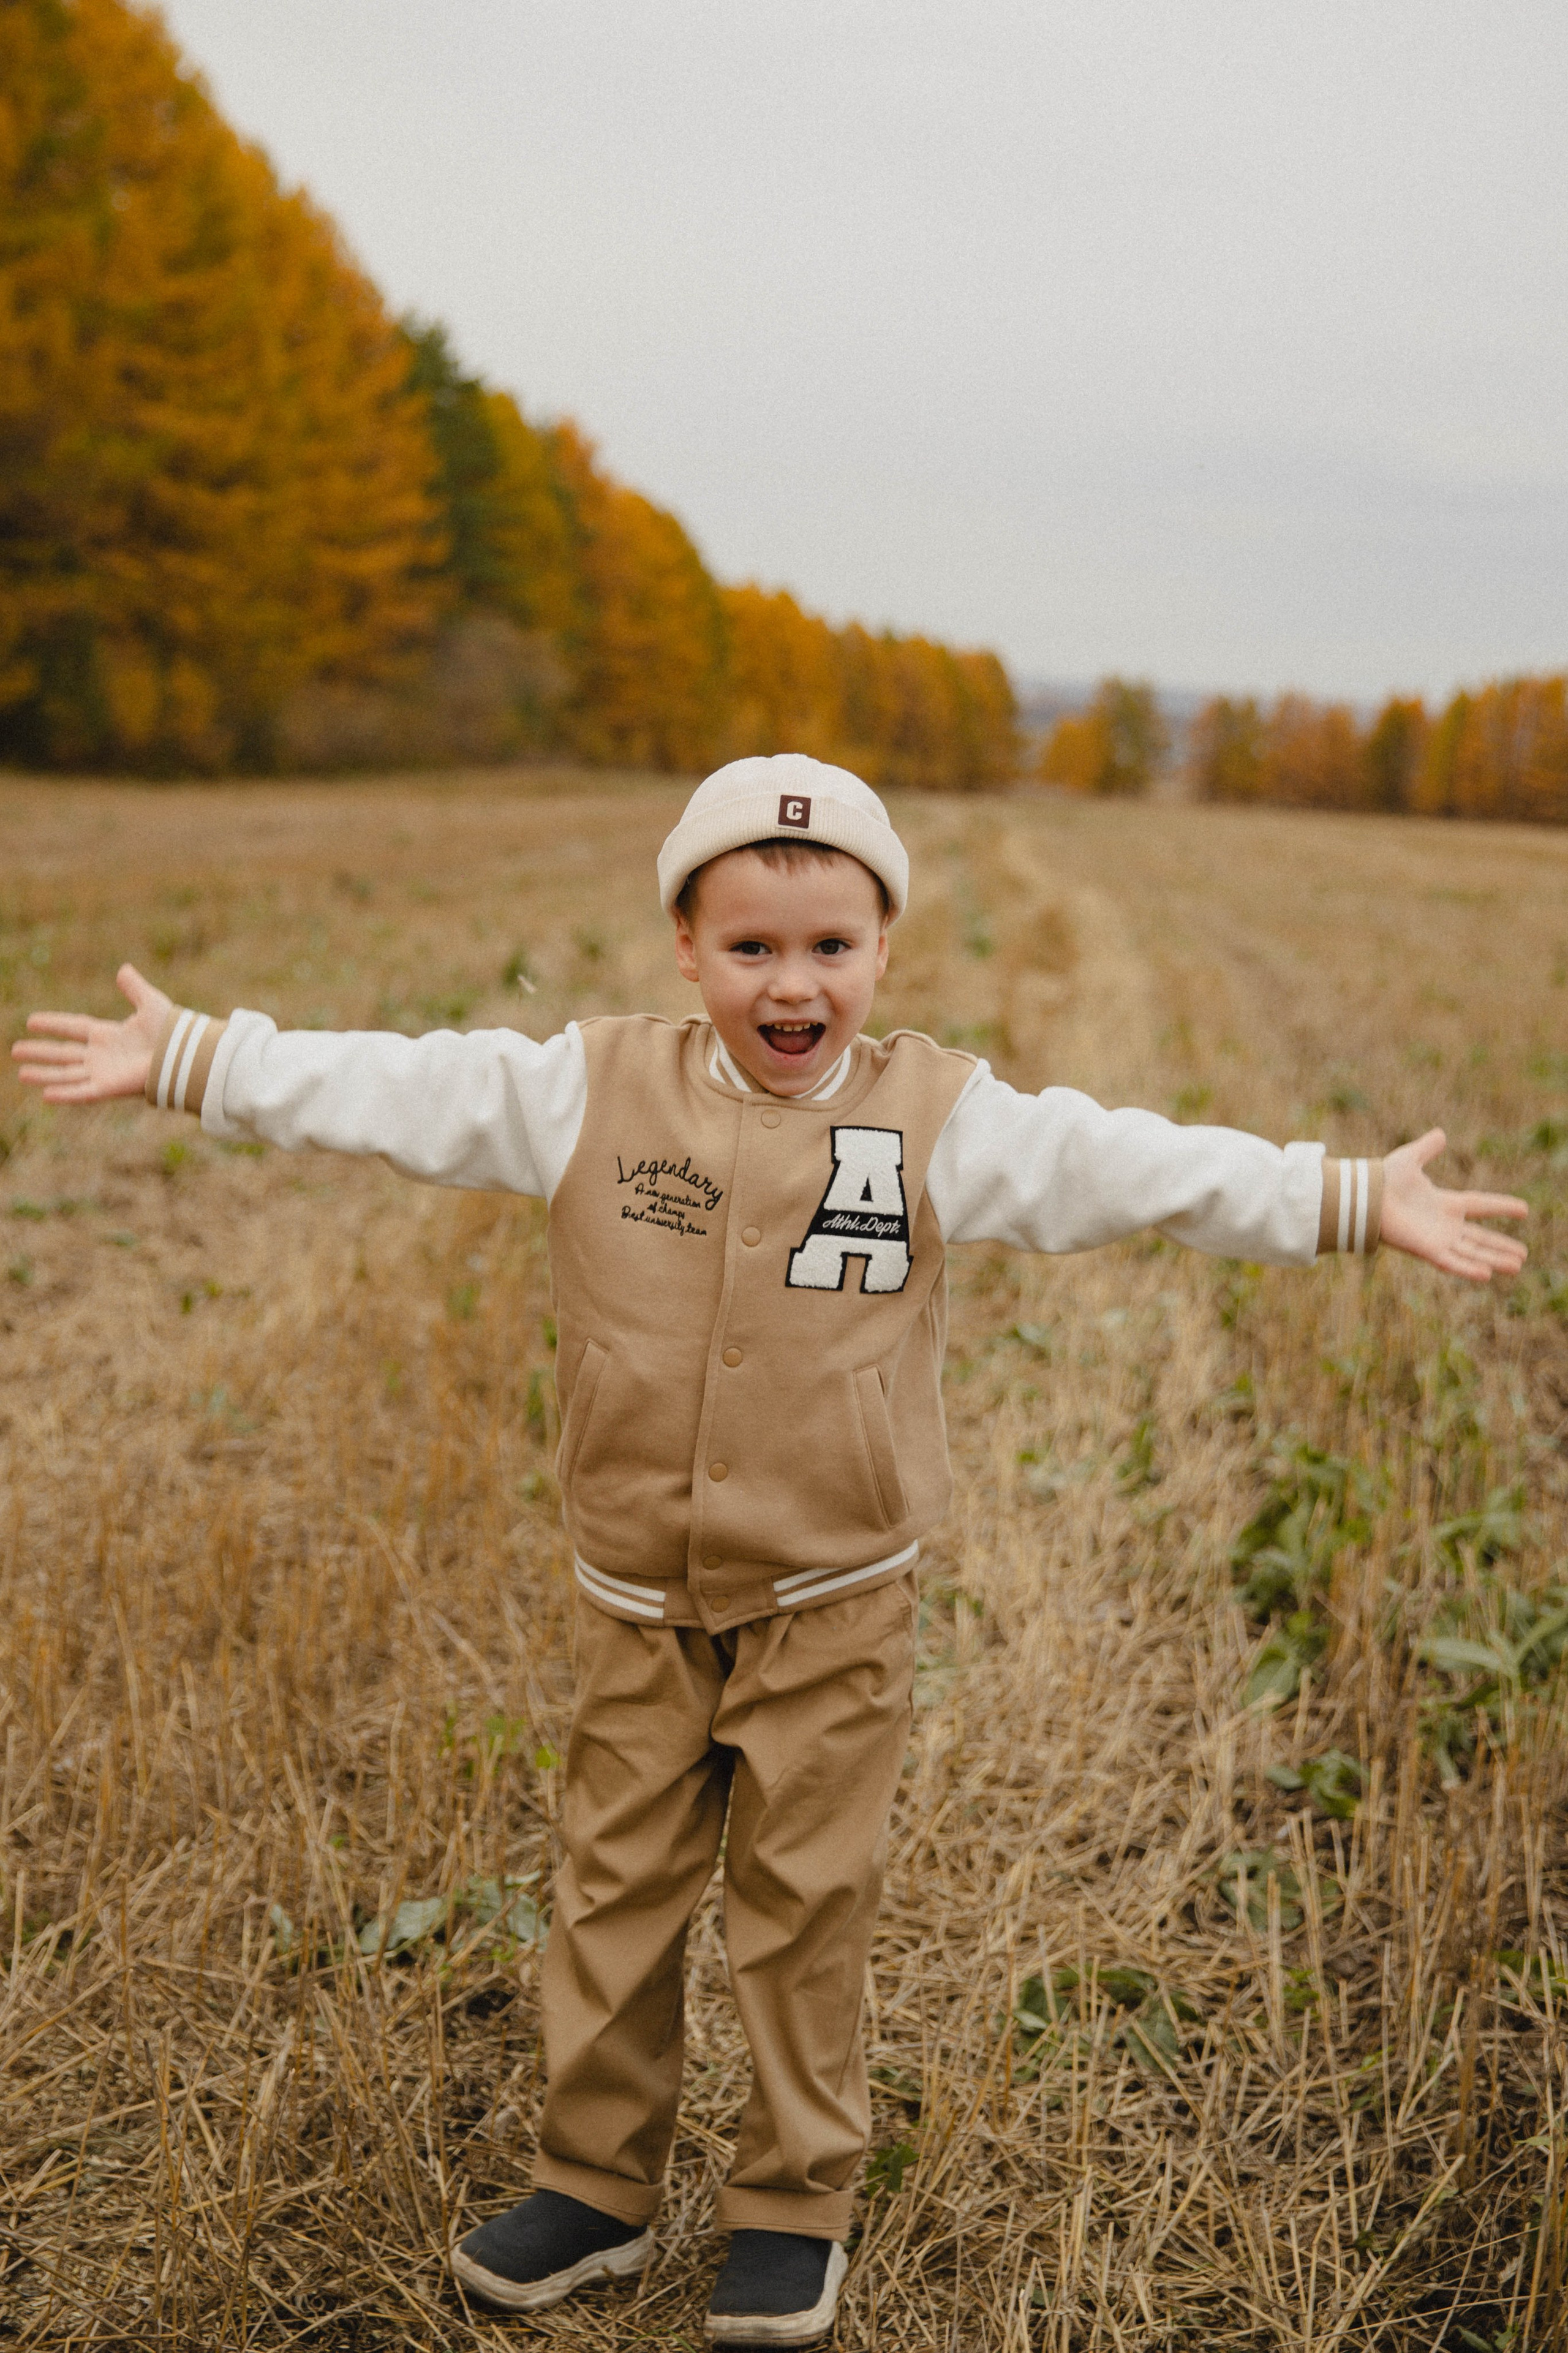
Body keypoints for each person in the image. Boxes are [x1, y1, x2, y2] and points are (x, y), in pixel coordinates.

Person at [13, 755, 1528, 2344]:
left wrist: (1346, 1196)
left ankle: (793, 2200)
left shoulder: (940, 1117)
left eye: (830, 947)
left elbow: (1130, 1163)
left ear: (886, 951)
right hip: (636, 1602)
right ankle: (593, 2183)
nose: (792, 983)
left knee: (805, 1904)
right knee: (612, 1890)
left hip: (833, 1603)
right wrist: (194, 1055)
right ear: (685, 946)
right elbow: (399, 1087)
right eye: (750, 948)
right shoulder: (589, 1090)